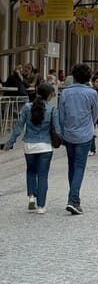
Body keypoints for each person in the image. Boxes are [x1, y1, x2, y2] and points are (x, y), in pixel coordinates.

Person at [2, 81, 61, 214]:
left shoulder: (27, 107)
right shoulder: (52, 110)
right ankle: (41, 206)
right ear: (49, 95)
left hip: (29, 145)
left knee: (30, 171)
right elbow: (58, 130)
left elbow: (18, 127)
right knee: (43, 175)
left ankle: (31, 198)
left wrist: (10, 143)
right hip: (45, 146)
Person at [57, 63, 98, 215]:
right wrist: (90, 125)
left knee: (72, 166)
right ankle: (73, 199)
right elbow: (95, 113)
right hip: (85, 134)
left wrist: (61, 131)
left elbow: (61, 114)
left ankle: (74, 197)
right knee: (80, 167)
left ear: (73, 76)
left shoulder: (65, 93)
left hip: (69, 133)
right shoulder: (92, 93)